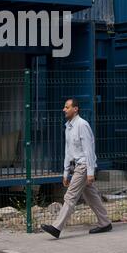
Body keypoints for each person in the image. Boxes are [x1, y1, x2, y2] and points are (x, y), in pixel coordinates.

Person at [41, 98, 112, 238]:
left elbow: (89, 150)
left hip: (84, 166)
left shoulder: (82, 125)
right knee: (92, 197)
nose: (64, 109)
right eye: (64, 107)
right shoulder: (68, 126)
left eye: (67, 107)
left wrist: (91, 171)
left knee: (70, 196)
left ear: (75, 109)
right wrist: (66, 172)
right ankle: (105, 223)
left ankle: (56, 227)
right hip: (77, 166)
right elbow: (68, 151)